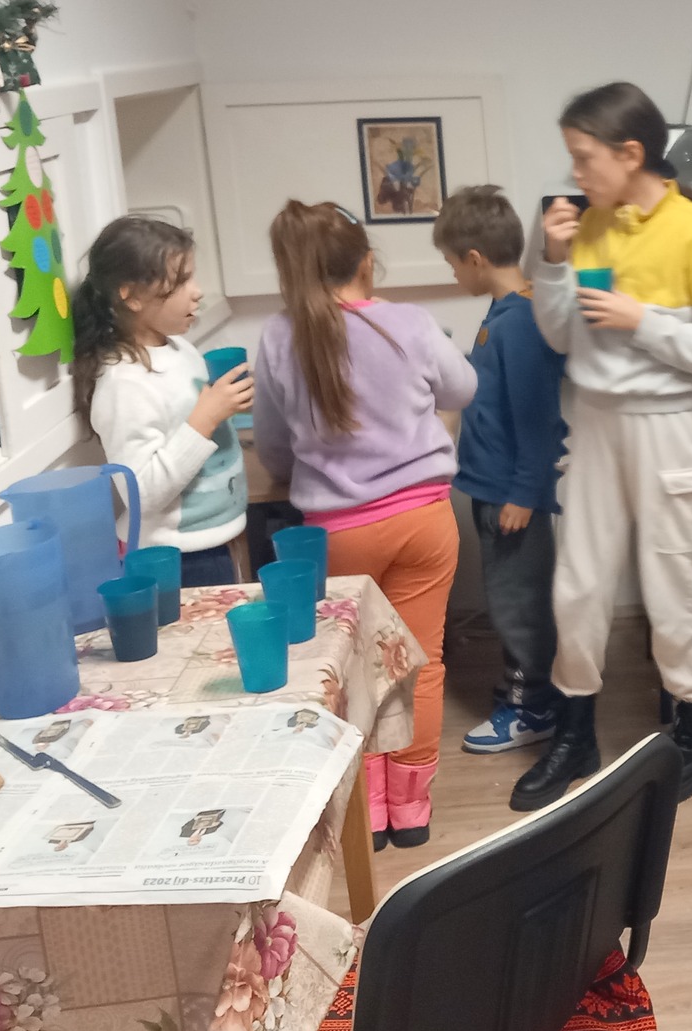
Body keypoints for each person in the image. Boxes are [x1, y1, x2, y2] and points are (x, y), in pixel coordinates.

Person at [513, 82, 692, 810]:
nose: (575, 173)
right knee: (578, 585)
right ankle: (575, 734)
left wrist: (639, 318)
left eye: (585, 157)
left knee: (673, 587)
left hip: (667, 424)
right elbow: (561, 334)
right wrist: (553, 260)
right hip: (595, 421)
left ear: (631, 154)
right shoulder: (590, 226)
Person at [254, 200, 477, 851]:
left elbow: (272, 445)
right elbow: (462, 388)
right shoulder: (409, 323)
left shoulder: (279, 336)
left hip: (337, 534)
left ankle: (370, 813)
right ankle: (410, 811)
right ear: (367, 262)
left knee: (355, 670)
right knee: (419, 665)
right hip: (423, 522)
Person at [434, 185, 569, 756]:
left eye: (452, 263)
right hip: (492, 487)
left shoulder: (522, 322)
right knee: (509, 600)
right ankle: (525, 689)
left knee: (519, 607)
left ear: (475, 258)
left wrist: (523, 493)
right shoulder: (504, 314)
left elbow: (539, 419)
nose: (453, 274)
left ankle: (530, 706)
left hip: (512, 495)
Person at [76, 215, 251, 587]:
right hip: (176, 558)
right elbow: (139, 494)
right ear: (132, 296)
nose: (197, 292)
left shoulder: (180, 349)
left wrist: (226, 407)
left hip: (215, 540)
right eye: (180, 281)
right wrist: (206, 418)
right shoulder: (124, 382)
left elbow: (188, 421)